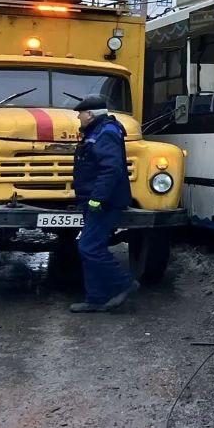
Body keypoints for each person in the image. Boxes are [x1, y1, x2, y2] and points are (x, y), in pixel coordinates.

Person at [69, 95, 138, 312]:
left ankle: (124, 283)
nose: (79, 118)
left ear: (90, 114)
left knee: (88, 247)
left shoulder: (105, 132)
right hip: (94, 199)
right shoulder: (98, 131)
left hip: (104, 202)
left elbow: (111, 168)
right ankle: (95, 298)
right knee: (91, 247)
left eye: (80, 114)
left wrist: (97, 198)